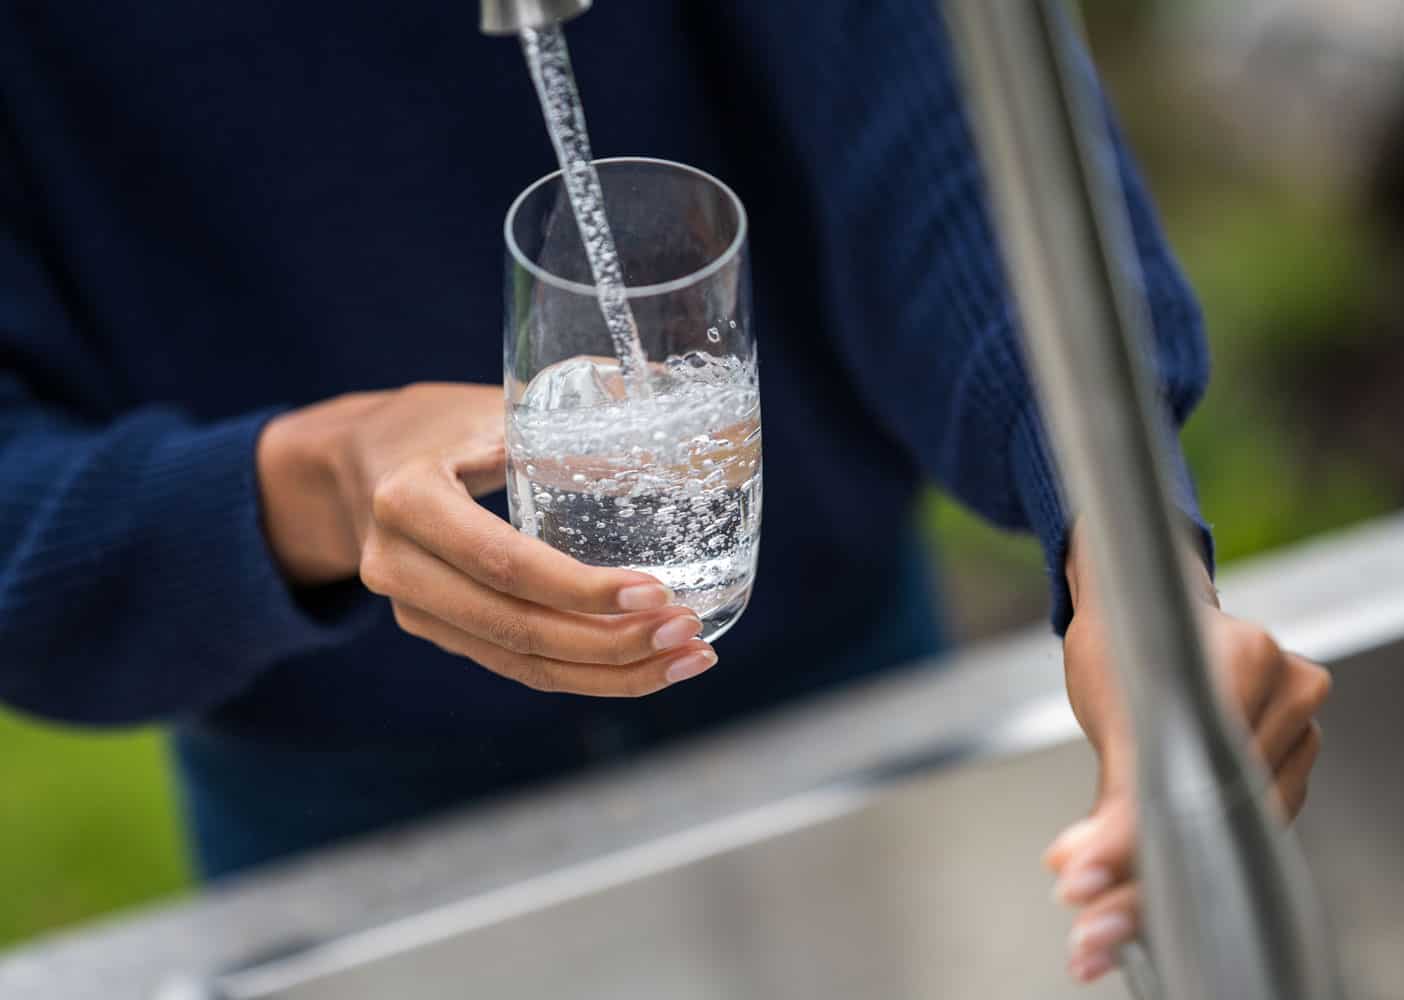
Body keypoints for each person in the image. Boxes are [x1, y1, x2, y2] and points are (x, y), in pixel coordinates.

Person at [0, 0, 1329, 984]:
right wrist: (313, 482)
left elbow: (945, 114)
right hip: (339, 814)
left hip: (840, 687)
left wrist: (1130, 563)